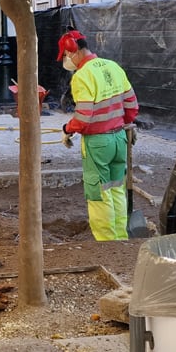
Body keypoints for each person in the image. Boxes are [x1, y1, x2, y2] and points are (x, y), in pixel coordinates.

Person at [57, 29, 139, 241]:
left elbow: (83, 117)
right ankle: (121, 239)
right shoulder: (113, 66)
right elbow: (131, 104)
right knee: (116, 189)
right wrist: (127, 124)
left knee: (99, 194)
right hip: (119, 138)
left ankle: (106, 243)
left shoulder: (82, 76)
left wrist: (68, 129)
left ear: (72, 51)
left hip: (97, 143)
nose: (66, 60)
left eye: (66, 55)